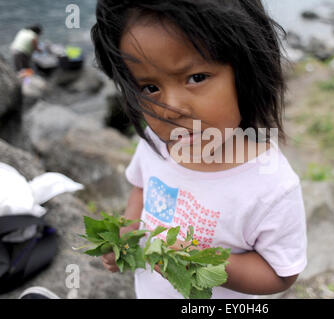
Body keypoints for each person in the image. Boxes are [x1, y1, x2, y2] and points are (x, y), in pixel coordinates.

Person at [92, 0, 307, 299]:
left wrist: (205, 262)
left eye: (196, 78)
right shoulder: (155, 144)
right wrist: (127, 236)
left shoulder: (272, 185)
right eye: (149, 88)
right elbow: (142, 189)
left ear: (245, 74)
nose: (171, 108)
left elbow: (280, 273)